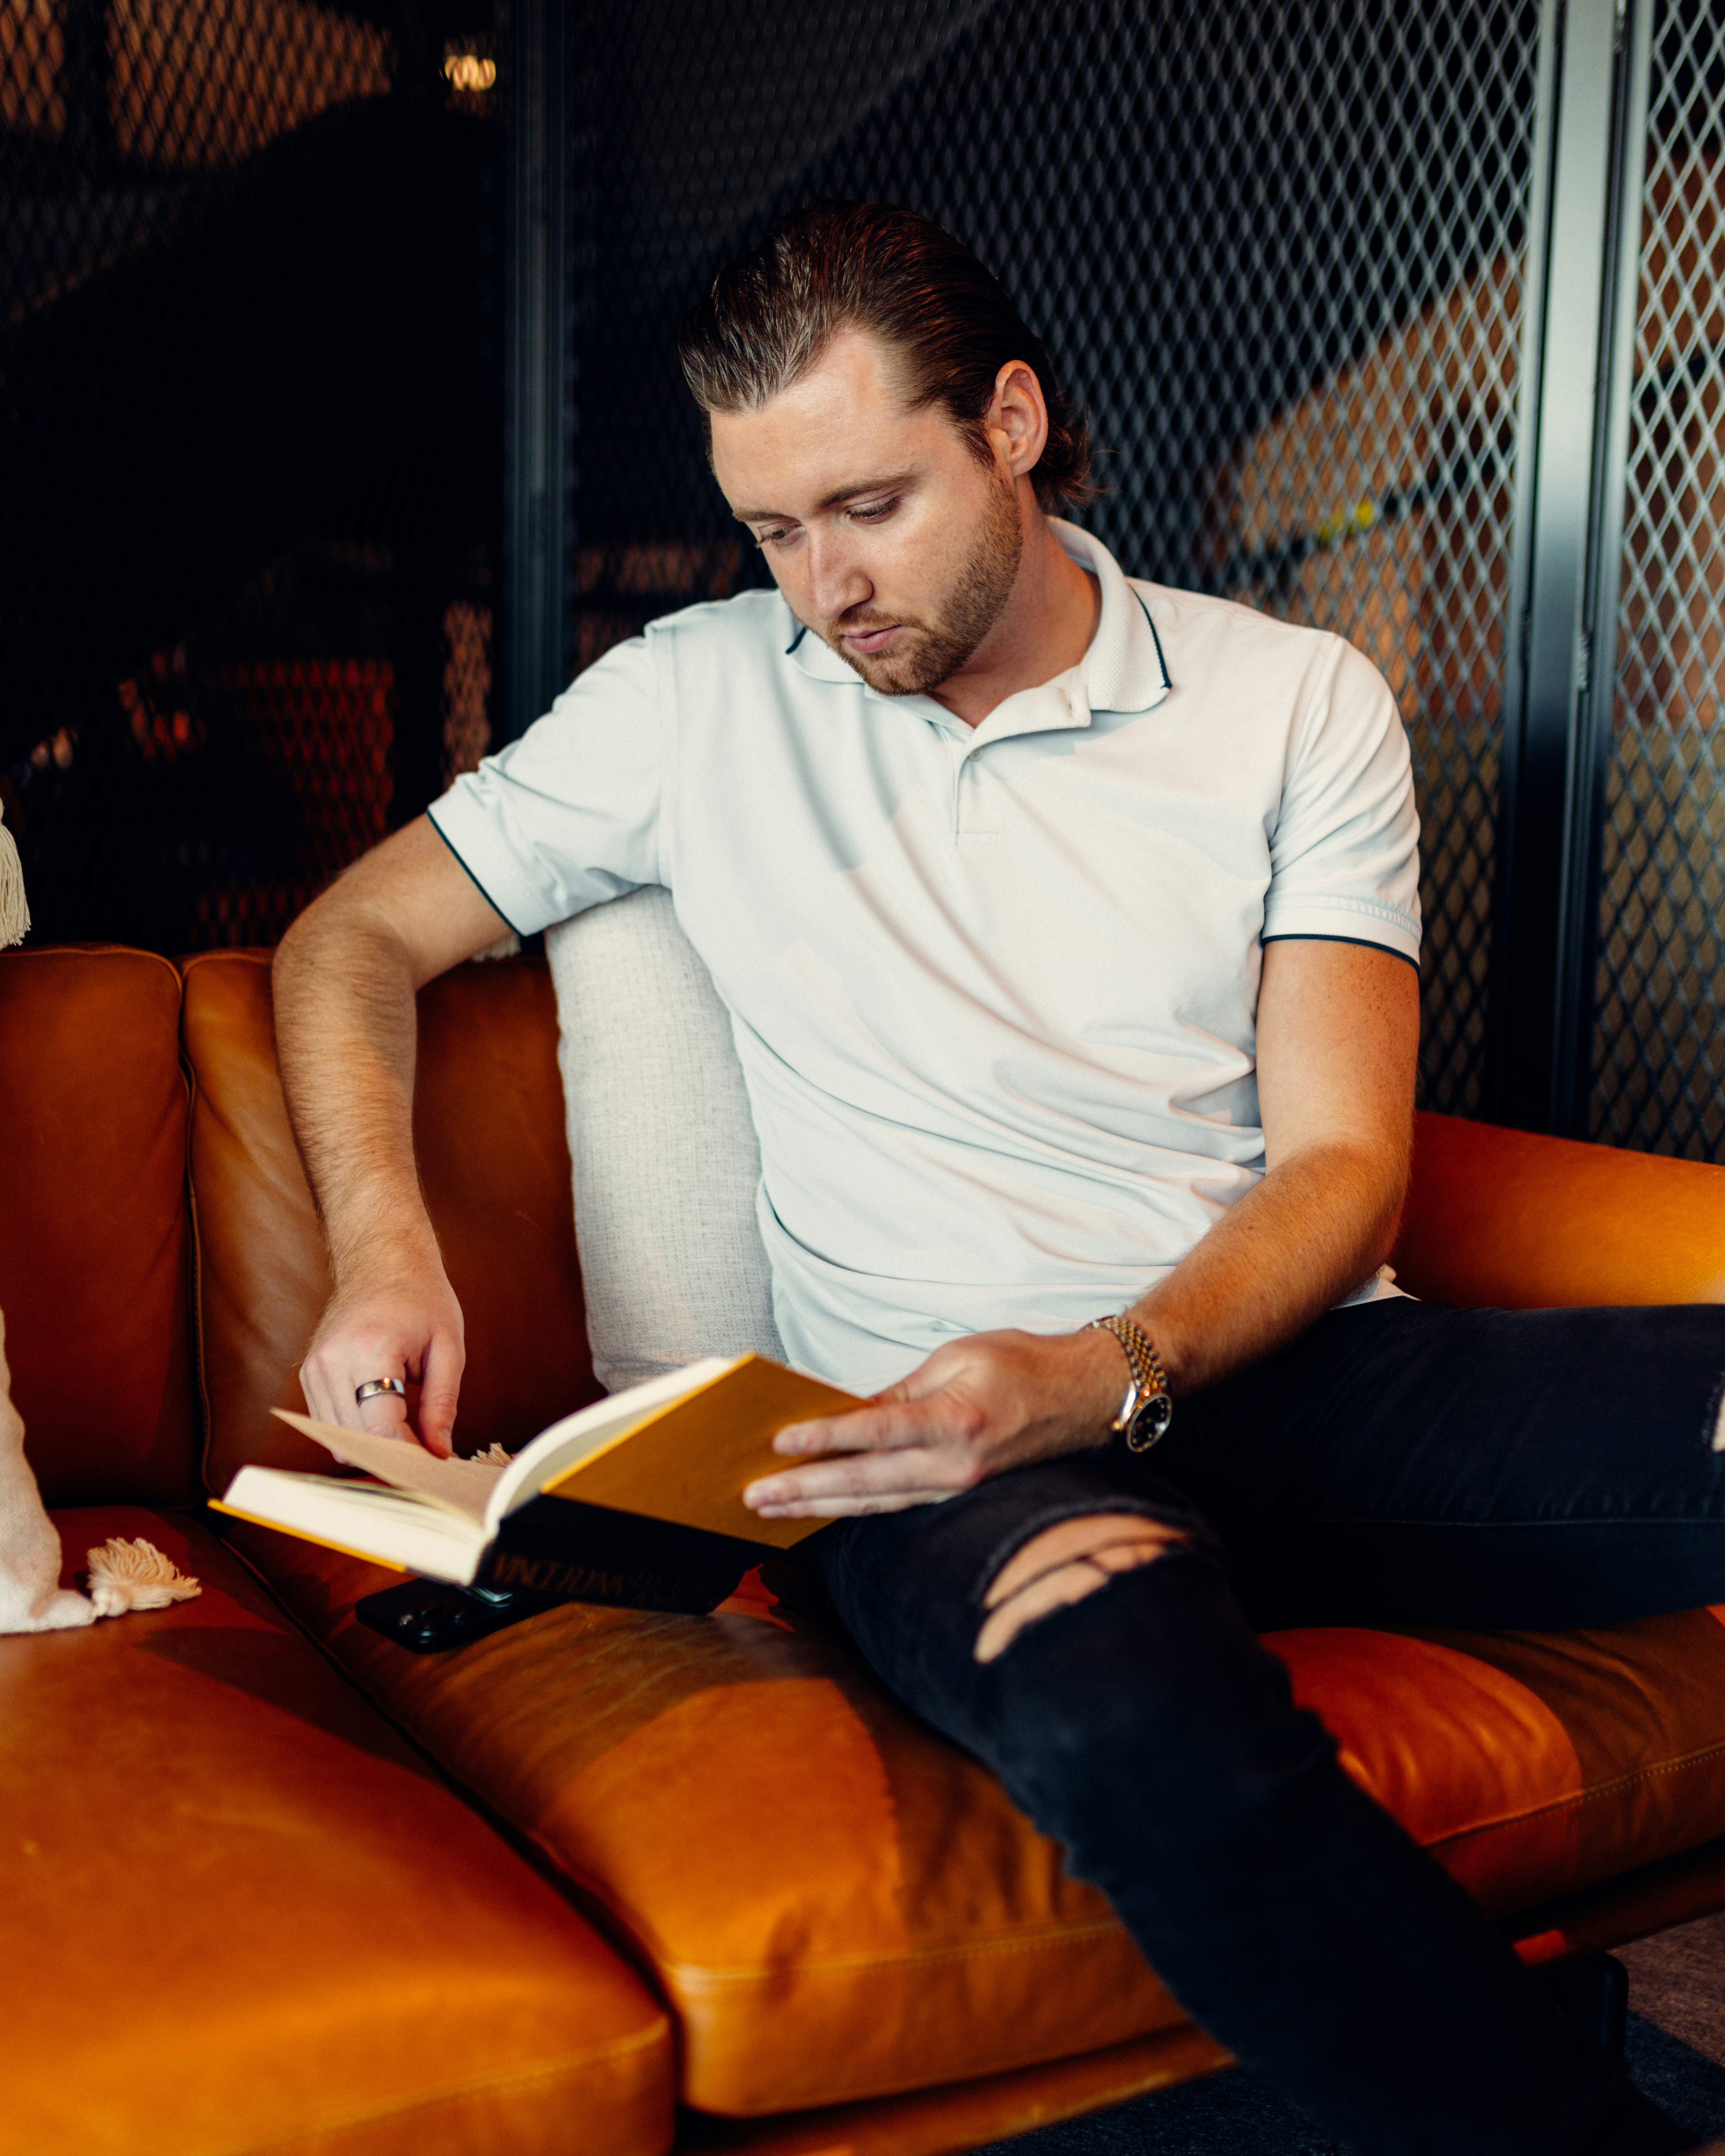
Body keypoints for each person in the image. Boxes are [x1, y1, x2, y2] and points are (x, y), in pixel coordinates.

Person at [272, 201, 1724, 2154]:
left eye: (869, 506)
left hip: (1286, 1368)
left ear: (1011, 424)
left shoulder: (1287, 700)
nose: (825, 588)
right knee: (1127, 1710)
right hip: (928, 1445)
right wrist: (387, 1250)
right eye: (773, 531)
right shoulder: (690, 699)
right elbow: (350, 937)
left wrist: (1106, 1364)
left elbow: (1344, 1167)